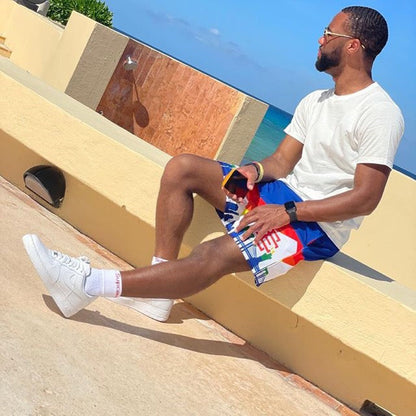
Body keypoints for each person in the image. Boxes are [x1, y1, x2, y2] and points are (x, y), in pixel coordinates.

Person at [23, 6, 404, 321]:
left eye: (328, 33)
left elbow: (365, 198)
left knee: (214, 253)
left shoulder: (379, 113)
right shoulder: (316, 100)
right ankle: (157, 295)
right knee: (183, 168)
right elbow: (281, 160)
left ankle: (88, 284)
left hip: (315, 226)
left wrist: (287, 213)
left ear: (353, 45)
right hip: (281, 195)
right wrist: (255, 171)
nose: (320, 40)